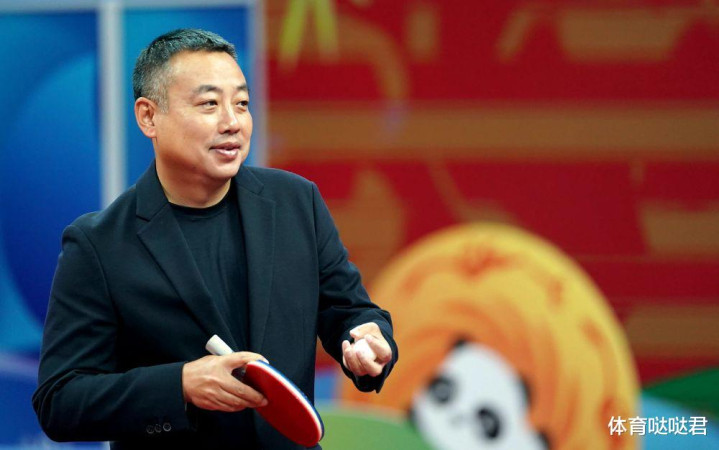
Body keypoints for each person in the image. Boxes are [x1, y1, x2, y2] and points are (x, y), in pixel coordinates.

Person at [32, 28, 397, 449]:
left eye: (241, 103)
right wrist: (181, 384)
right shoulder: (99, 244)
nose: (232, 123)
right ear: (149, 117)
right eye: (209, 104)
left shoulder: (296, 202)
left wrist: (367, 339)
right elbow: (60, 400)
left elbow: (349, 310)